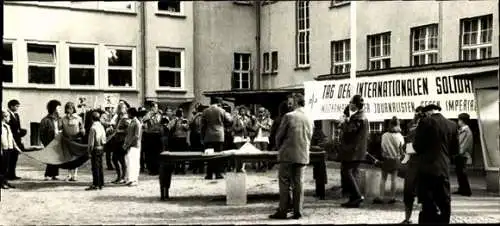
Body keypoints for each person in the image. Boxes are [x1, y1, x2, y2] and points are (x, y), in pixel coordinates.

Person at [269, 94, 312, 220]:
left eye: (291, 102)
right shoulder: (310, 117)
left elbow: (279, 136)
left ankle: (283, 211)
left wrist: (279, 147)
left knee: (284, 183)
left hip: (287, 154)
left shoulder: (289, 116)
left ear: (297, 102)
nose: (290, 105)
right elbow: (310, 135)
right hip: (303, 154)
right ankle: (298, 211)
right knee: (299, 183)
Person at [413, 104, 459, 224]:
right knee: (444, 201)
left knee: (428, 201)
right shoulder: (452, 125)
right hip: (443, 168)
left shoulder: (425, 122)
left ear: (428, 112)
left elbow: (417, 146)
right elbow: (455, 150)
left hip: (427, 168)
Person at [338, 94, 369, 208]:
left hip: (353, 151)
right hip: (356, 151)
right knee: (353, 173)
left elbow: (350, 131)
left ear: (355, 105)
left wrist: (343, 122)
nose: (349, 104)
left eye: (351, 102)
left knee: (347, 172)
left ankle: (357, 196)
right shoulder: (359, 116)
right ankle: (353, 198)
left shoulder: (358, 118)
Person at [401, 106, 425, 224]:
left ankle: (424, 216)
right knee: (408, 191)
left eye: (420, 113)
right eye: (416, 113)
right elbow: (408, 142)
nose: (418, 115)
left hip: (423, 162)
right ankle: (407, 218)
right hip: (412, 162)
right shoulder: (411, 125)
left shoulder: (428, 125)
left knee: (424, 192)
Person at [373, 116, 405, 204]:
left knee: (383, 178)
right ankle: (392, 197)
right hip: (396, 159)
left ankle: (381, 196)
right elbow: (401, 149)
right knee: (394, 179)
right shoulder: (400, 136)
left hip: (386, 159)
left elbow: (382, 148)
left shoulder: (384, 136)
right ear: (398, 125)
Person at [201, 97, 232, 180]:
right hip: (219, 136)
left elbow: (203, 126)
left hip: (208, 136)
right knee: (218, 155)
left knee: (209, 155)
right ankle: (218, 174)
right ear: (218, 103)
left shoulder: (205, 111)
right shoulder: (221, 110)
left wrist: (202, 137)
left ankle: (209, 174)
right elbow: (229, 121)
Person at [61, 102, 85, 181]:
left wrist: (82, 131)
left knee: (76, 158)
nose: (69, 110)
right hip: (67, 140)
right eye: (68, 108)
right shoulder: (63, 119)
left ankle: (75, 175)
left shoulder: (78, 118)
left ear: (73, 109)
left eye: (71, 108)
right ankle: (69, 174)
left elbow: (82, 129)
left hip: (77, 140)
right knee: (68, 158)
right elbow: (60, 128)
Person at [39, 100, 63, 180]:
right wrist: (46, 143)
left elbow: (61, 128)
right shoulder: (46, 120)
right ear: (54, 108)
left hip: (57, 141)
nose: (59, 109)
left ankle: (54, 175)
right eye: (58, 107)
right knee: (50, 158)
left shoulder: (59, 119)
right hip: (49, 141)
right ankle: (47, 175)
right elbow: (42, 133)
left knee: (56, 158)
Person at [86, 111, 107, 190]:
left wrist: (89, 151)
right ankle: (101, 183)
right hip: (101, 147)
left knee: (95, 167)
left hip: (95, 148)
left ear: (92, 119)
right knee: (100, 166)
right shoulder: (101, 126)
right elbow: (104, 139)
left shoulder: (93, 128)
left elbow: (91, 142)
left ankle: (96, 184)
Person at [123, 108, 144, 186]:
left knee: (134, 163)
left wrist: (128, 144)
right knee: (129, 162)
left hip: (134, 145)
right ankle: (130, 178)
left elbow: (136, 136)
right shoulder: (132, 122)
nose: (128, 115)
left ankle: (134, 179)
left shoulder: (137, 122)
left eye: (128, 114)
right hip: (130, 145)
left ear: (132, 114)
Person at [110, 102, 130, 184]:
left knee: (121, 160)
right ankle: (119, 176)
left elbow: (129, 129)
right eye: (119, 107)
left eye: (121, 107)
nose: (119, 109)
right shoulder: (118, 117)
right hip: (117, 141)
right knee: (114, 159)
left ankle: (123, 177)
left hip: (122, 141)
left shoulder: (125, 118)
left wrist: (119, 131)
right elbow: (114, 125)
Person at [454, 113, 473, 196]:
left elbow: (465, 144)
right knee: (459, 172)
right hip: (460, 154)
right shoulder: (462, 130)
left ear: (462, 121)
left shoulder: (466, 131)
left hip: (462, 155)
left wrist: (459, 153)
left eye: (459, 120)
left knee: (462, 172)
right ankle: (461, 188)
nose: (458, 122)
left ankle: (466, 190)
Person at [142, 101, 164, 175]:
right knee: (151, 153)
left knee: (158, 152)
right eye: (155, 107)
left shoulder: (159, 114)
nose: (156, 108)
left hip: (157, 135)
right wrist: (150, 115)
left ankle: (157, 169)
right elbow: (143, 120)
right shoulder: (148, 114)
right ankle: (151, 169)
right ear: (151, 108)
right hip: (150, 135)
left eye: (157, 107)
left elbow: (161, 123)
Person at [6, 99, 26, 180]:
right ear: (11, 106)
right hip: (11, 139)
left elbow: (18, 128)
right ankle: (9, 174)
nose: (17, 108)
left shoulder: (16, 115)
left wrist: (21, 132)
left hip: (17, 139)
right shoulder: (7, 115)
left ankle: (12, 174)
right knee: (10, 158)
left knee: (14, 158)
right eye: (16, 106)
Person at [1, 110, 21, 189]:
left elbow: (12, 139)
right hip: (3, 149)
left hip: (9, 148)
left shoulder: (7, 126)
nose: (9, 118)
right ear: (3, 117)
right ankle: (1, 183)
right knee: (2, 167)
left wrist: (17, 148)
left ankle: (5, 181)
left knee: (6, 167)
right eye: (7, 116)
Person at [169, 108, 190, 174]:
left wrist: (184, 126)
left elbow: (187, 128)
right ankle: (177, 168)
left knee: (183, 154)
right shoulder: (174, 120)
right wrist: (175, 121)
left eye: (181, 113)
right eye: (180, 113)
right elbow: (170, 127)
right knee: (176, 154)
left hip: (183, 138)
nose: (181, 114)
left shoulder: (185, 120)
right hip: (176, 138)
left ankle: (183, 168)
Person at [253, 107, 273, 172]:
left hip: (264, 137)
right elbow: (254, 128)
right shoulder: (257, 119)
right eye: (259, 112)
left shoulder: (268, 119)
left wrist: (260, 125)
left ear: (265, 112)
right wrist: (256, 125)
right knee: (258, 153)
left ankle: (265, 166)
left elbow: (269, 128)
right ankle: (258, 166)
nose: (260, 113)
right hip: (257, 137)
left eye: (262, 112)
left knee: (264, 152)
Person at [188, 104, 207, 174]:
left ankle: (201, 168)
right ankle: (195, 167)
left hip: (201, 136)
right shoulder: (193, 116)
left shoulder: (204, 116)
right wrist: (196, 115)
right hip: (194, 136)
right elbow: (189, 124)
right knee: (194, 151)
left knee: (202, 151)